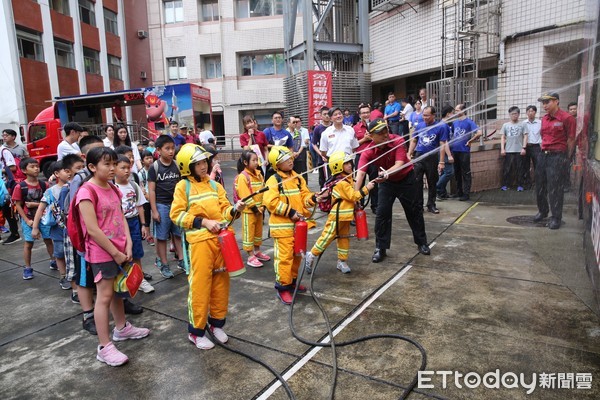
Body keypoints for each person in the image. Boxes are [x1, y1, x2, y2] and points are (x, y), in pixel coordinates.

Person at [75, 146, 150, 366]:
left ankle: (122, 328)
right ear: (91, 167)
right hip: (102, 252)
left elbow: (122, 217)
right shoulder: (86, 192)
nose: (112, 168)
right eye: (106, 164)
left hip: (119, 250)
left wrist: (127, 245)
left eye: (113, 164)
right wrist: (115, 252)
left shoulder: (112, 188)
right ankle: (104, 346)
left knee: (119, 292)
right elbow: (92, 229)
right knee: (105, 296)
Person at [170, 143, 245, 350]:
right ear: (187, 166)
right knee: (200, 287)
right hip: (199, 245)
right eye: (198, 163)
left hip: (221, 241)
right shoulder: (182, 187)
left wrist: (235, 209)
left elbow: (225, 211)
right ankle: (196, 331)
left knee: (221, 284)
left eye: (205, 161)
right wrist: (203, 222)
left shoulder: (215, 186)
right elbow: (176, 215)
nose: (204, 166)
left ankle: (217, 324)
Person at [355, 119, 430, 262]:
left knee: (414, 212)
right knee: (382, 214)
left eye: (386, 131)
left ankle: (422, 242)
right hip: (387, 183)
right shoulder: (368, 151)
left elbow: (400, 164)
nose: (385, 135)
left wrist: (385, 174)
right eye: (380, 133)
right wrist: (354, 196)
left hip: (406, 179)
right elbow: (360, 174)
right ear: (371, 135)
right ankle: (380, 248)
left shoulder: (397, 141)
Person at [305, 151, 378, 274]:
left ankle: (342, 261)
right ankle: (311, 254)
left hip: (345, 216)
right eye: (346, 163)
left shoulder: (348, 180)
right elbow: (353, 196)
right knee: (327, 237)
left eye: (350, 162)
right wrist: (367, 188)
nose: (350, 165)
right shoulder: (341, 183)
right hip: (337, 216)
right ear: (337, 166)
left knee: (344, 238)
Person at [263, 146, 317, 305]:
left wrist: (314, 199)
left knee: (297, 256)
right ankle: (282, 287)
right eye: (285, 159)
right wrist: (290, 212)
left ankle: (292, 282)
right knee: (284, 258)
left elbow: (305, 196)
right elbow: (270, 202)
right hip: (282, 229)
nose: (290, 161)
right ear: (276, 164)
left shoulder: (298, 178)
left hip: (297, 228)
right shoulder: (273, 180)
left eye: (290, 157)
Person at [533, 92, 576, 230]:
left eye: (547, 102)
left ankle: (556, 217)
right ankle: (543, 211)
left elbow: (571, 139)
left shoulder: (567, 118)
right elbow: (543, 136)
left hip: (557, 156)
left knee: (555, 188)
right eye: (543, 103)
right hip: (543, 155)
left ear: (556, 101)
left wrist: (567, 158)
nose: (544, 105)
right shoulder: (544, 119)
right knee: (540, 185)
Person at [114, 155, 154, 294]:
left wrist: (143, 224)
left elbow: (140, 206)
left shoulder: (133, 185)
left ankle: (139, 278)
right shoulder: (112, 187)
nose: (126, 171)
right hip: (118, 226)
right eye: (122, 168)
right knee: (121, 252)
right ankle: (123, 279)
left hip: (134, 222)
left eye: (128, 167)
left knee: (136, 252)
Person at [12, 158, 54, 280]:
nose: (36, 168)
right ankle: (27, 267)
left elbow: (48, 201)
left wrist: (34, 205)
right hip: (29, 218)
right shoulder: (21, 187)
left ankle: (53, 260)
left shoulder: (43, 184)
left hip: (44, 218)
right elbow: (18, 205)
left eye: (37, 166)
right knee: (29, 243)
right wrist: (26, 220)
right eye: (32, 166)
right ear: (24, 170)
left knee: (48, 240)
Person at [31, 160, 71, 290]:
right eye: (66, 170)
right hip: (58, 229)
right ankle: (63, 275)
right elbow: (40, 209)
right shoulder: (50, 192)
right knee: (59, 253)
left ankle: (73, 275)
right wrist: (35, 227)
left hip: (73, 229)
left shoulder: (75, 186)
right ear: (56, 173)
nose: (70, 173)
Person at [148, 135, 183, 278]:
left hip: (176, 205)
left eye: (172, 148)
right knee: (162, 237)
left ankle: (182, 260)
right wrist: (154, 210)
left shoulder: (176, 165)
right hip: (161, 206)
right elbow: (151, 190)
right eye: (167, 148)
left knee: (178, 234)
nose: (171, 151)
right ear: (158, 150)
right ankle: (164, 263)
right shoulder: (154, 167)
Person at [408, 106, 449, 214]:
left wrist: (441, 162)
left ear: (433, 115)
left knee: (432, 182)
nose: (424, 117)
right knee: (417, 182)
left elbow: (442, 145)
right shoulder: (420, 125)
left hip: (431, 157)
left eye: (427, 115)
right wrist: (409, 153)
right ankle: (418, 205)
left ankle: (431, 204)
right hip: (419, 155)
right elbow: (414, 140)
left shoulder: (441, 127)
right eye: (423, 115)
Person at [234, 150, 270, 268]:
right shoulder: (243, 177)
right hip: (249, 211)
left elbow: (264, 190)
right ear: (245, 162)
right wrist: (255, 209)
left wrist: (263, 206)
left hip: (259, 210)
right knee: (249, 232)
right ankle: (250, 255)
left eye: (257, 160)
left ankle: (257, 251)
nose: (256, 162)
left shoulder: (259, 174)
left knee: (258, 232)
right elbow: (245, 195)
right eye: (253, 160)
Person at [449, 103, 482, 201]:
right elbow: (452, 135)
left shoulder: (469, 122)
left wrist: (470, 141)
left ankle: (466, 193)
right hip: (455, 150)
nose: (455, 112)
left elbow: (479, 133)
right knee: (457, 172)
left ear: (463, 111)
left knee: (465, 173)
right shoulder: (455, 123)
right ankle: (459, 192)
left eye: (457, 110)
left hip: (464, 151)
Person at [353, 104, 379, 213]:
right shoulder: (355, 128)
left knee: (374, 182)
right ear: (359, 115)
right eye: (363, 113)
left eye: (367, 112)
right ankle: (360, 205)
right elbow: (353, 146)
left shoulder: (376, 125)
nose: (365, 114)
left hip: (374, 156)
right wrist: (364, 139)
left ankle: (375, 206)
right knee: (360, 182)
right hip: (360, 157)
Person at [500, 106, 528, 191]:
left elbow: (525, 136)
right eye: (512, 114)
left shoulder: (523, 124)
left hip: (519, 150)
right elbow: (503, 137)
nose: (514, 115)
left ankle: (520, 185)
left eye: (516, 114)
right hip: (508, 150)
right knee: (507, 169)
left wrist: (524, 148)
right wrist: (502, 149)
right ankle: (505, 184)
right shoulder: (505, 125)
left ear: (519, 114)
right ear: (509, 115)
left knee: (520, 169)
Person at [435, 106, 456, 200]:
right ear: (448, 114)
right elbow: (445, 142)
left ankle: (442, 193)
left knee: (443, 172)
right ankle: (437, 189)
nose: (454, 115)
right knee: (449, 172)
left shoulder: (445, 124)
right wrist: (449, 155)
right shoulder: (443, 125)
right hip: (444, 152)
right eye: (453, 113)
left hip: (443, 152)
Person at [312, 107, 332, 188]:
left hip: (335, 158)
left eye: (328, 114)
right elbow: (314, 143)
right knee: (323, 181)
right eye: (324, 114)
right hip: (323, 160)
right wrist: (321, 154)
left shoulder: (334, 127)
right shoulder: (318, 128)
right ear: (321, 115)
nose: (327, 116)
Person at [523, 105, 542, 190]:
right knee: (525, 166)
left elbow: (543, 134)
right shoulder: (523, 123)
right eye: (529, 111)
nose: (530, 113)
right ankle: (527, 184)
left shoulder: (540, 123)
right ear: (526, 113)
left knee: (538, 166)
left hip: (536, 147)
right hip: (526, 146)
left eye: (532, 111)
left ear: (535, 112)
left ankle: (538, 184)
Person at [139, 150, 155, 246]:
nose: (149, 160)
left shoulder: (155, 169)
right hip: (146, 199)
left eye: (150, 157)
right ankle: (149, 236)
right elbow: (141, 187)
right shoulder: (141, 173)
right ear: (142, 161)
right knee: (147, 218)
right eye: (147, 158)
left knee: (156, 215)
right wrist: (145, 196)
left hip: (155, 196)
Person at [287, 116, 308, 180]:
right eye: (293, 122)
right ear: (288, 123)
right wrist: (292, 153)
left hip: (298, 156)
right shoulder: (285, 133)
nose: (295, 124)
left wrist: (298, 153)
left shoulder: (298, 133)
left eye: (296, 122)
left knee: (298, 174)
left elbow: (302, 144)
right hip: (289, 157)